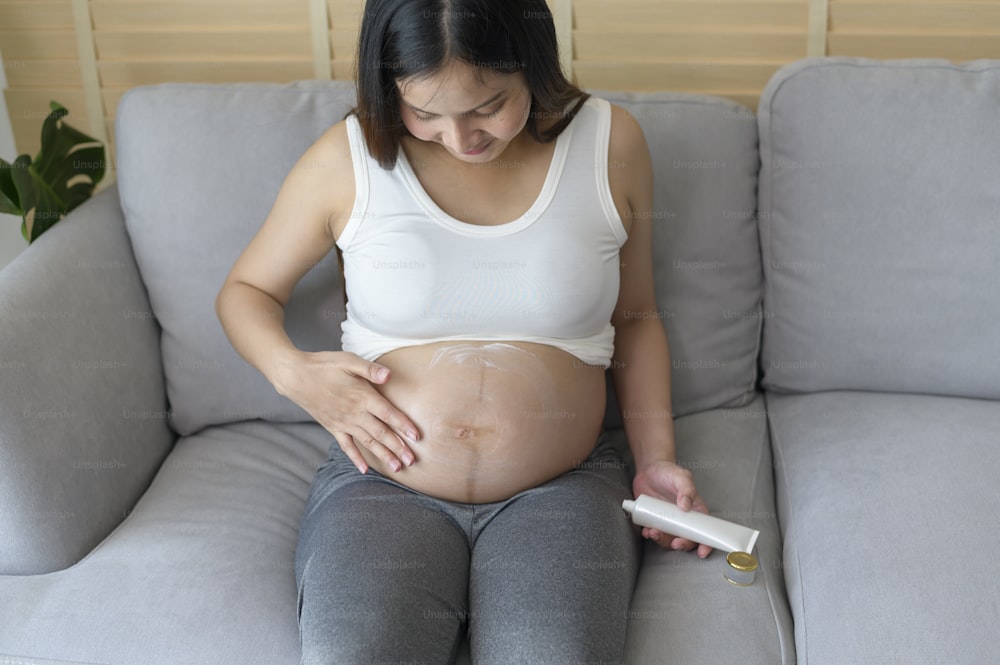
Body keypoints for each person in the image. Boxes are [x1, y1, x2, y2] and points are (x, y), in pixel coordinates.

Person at [215, 0, 712, 662]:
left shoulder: (610, 143)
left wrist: (655, 459)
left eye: (486, 106)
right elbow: (244, 293)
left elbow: (637, 318)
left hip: (563, 484)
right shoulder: (349, 158)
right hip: (381, 479)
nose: (461, 138)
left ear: (533, 64)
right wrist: (294, 373)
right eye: (425, 113)